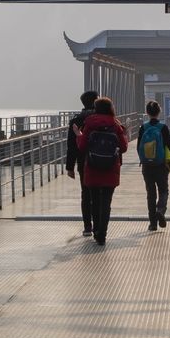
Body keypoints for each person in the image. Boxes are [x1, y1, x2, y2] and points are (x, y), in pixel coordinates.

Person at [76, 97, 128, 246]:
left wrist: (78, 136)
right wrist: (124, 133)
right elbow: (123, 148)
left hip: (92, 167)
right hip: (111, 168)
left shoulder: (90, 124)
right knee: (106, 202)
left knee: (94, 200)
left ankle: (96, 229)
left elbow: (82, 146)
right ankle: (102, 234)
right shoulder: (115, 124)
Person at [137, 100, 170, 231]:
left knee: (151, 193)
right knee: (164, 190)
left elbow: (138, 147)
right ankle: (160, 210)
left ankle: (152, 223)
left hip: (147, 166)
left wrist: (144, 160)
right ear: (159, 112)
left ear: (147, 112)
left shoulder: (143, 127)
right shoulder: (163, 127)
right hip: (161, 165)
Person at [65, 90, 100, 236]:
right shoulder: (101, 118)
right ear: (96, 101)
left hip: (82, 161)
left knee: (85, 193)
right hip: (100, 160)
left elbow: (71, 145)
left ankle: (87, 227)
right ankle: (98, 225)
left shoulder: (76, 121)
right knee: (99, 193)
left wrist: (69, 167)